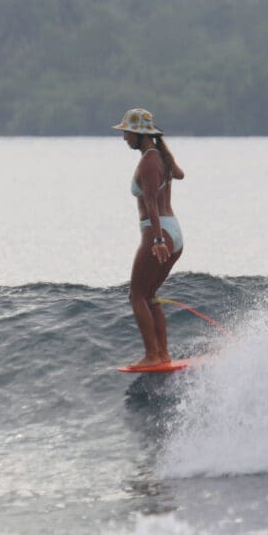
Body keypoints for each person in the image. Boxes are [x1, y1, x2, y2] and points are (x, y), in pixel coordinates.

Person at [113, 108, 185, 368]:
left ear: (140, 134)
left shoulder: (147, 162)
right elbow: (179, 174)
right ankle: (162, 354)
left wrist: (157, 241)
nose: (124, 138)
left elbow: (152, 203)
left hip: (159, 231)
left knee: (136, 295)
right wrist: (163, 153)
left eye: (127, 133)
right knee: (150, 294)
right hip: (174, 231)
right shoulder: (160, 158)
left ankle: (153, 354)